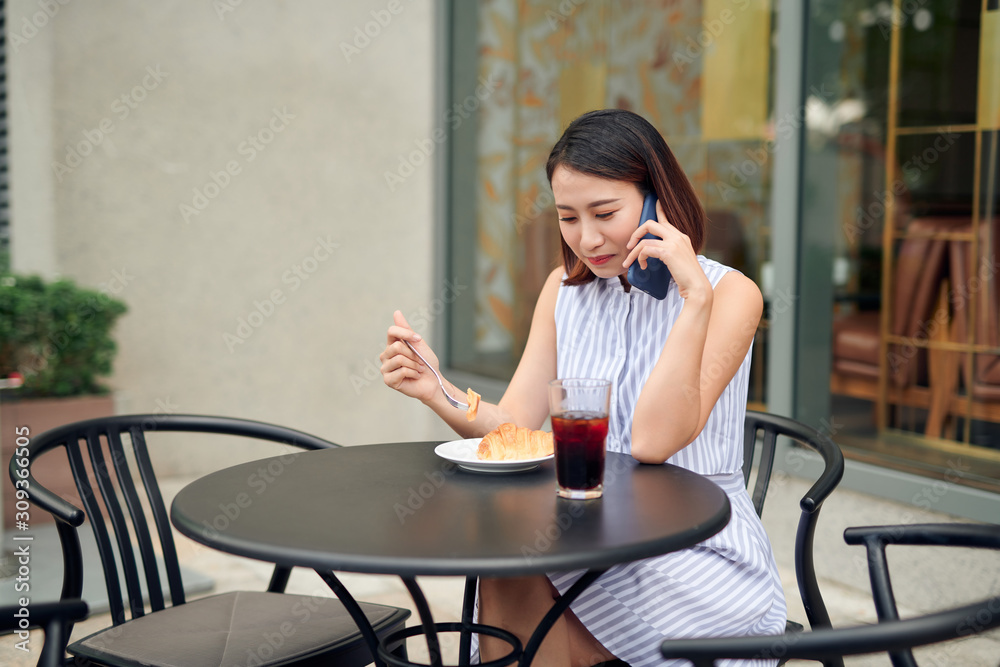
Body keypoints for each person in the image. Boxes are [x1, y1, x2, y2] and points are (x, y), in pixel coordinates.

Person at [379, 108, 786, 667]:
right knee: (508, 568)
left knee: (524, 598)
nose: (587, 238)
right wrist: (436, 389)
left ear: (655, 202)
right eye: (567, 217)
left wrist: (693, 302)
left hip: (690, 550)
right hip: (587, 531)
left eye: (605, 212)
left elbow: (651, 443)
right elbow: (516, 429)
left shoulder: (729, 294)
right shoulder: (564, 292)